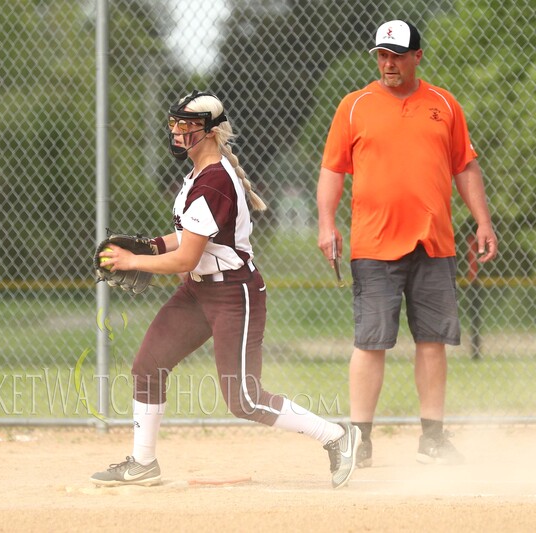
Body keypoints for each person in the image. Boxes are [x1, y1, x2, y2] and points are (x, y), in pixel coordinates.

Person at [91, 90, 361, 489]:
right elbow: (187, 238)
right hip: (198, 291)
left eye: (189, 126)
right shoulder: (197, 176)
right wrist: (151, 246)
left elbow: (185, 258)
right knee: (148, 366)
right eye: (175, 125)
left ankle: (337, 437)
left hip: (235, 293)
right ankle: (143, 462)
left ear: (212, 132)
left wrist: (134, 261)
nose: (179, 133)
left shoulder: (214, 180)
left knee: (244, 400)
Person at [316, 20, 498, 467]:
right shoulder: (354, 106)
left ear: (418, 56)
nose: (388, 63)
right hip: (374, 244)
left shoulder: (444, 105)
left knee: (432, 342)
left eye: (397, 55)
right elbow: (332, 170)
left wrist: (483, 222)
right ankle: (361, 439)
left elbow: (465, 167)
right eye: (382, 54)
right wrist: (326, 223)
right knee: (371, 341)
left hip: (434, 242)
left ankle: (432, 440)